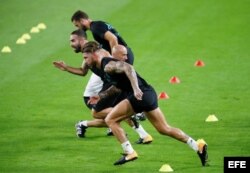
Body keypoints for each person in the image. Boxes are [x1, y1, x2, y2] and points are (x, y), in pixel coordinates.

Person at [81, 41, 209, 166]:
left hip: (139, 95)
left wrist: (136, 88)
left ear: (94, 54)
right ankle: (197, 145)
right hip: (148, 93)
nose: (85, 61)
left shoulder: (107, 65)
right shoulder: (104, 67)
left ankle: (129, 152)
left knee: (111, 120)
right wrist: (100, 96)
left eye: (86, 57)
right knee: (164, 129)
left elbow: (129, 67)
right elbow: (117, 87)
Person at [53, 30, 152, 144]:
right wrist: (66, 68)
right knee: (109, 117)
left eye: (73, 41)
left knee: (99, 113)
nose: (71, 44)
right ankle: (142, 133)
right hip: (111, 86)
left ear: (81, 40)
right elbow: (83, 71)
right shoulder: (88, 53)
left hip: (111, 86)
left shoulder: (98, 53)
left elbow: (112, 61)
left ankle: (130, 122)